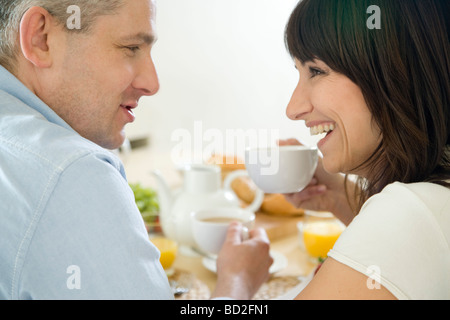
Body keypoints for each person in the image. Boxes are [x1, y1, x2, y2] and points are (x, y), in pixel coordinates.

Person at [0, 0, 272, 300]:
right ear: (41, 38)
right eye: (130, 48)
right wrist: (237, 284)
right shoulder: (73, 175)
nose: (152, 83)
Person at [281, 0, 449, 299]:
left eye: (317, 71)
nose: (293, 108)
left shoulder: (409, 213)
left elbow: (407, 230)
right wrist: (339, 197)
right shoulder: (433, 199)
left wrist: (231, 288)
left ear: (395, 72)